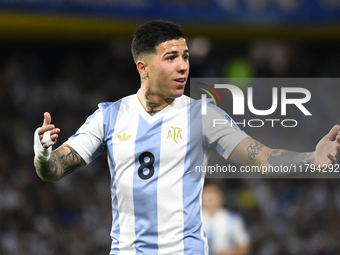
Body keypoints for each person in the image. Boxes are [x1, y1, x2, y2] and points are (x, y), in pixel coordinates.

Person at [33, 20, 340, 255]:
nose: (183, 66)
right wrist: (44, 155)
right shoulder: (109, 116)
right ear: (144, 67)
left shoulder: (203, 115)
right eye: (171, 58)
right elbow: (55, 169)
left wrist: (312, 159)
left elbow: (263, 158)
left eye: (186, 56)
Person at [202, 183, 251, 255]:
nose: (210, 198)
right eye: (207, 194)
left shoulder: (232, 219)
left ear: (221, 198)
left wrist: (231, 252)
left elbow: (245, 245)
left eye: (213, 194)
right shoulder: (192, 220)